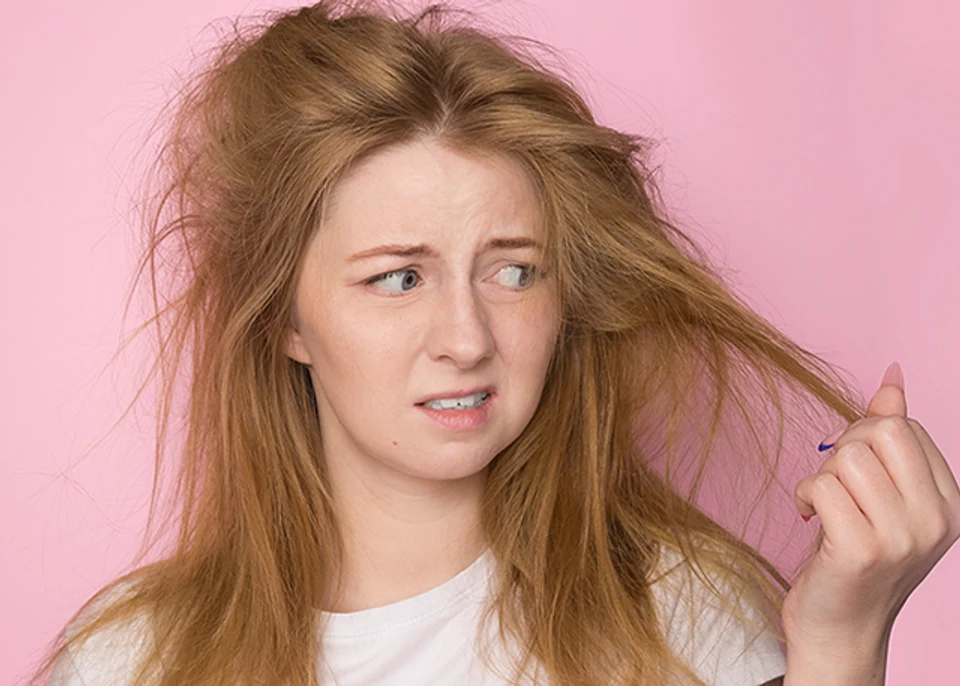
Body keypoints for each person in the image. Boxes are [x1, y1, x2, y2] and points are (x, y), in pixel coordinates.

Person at [32, 1, 960, 685]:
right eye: (398, 276)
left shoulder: (682, 610)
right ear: (285, 319)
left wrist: (845, 642)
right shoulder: (129, 659)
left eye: (513, 269)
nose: (468, 339)